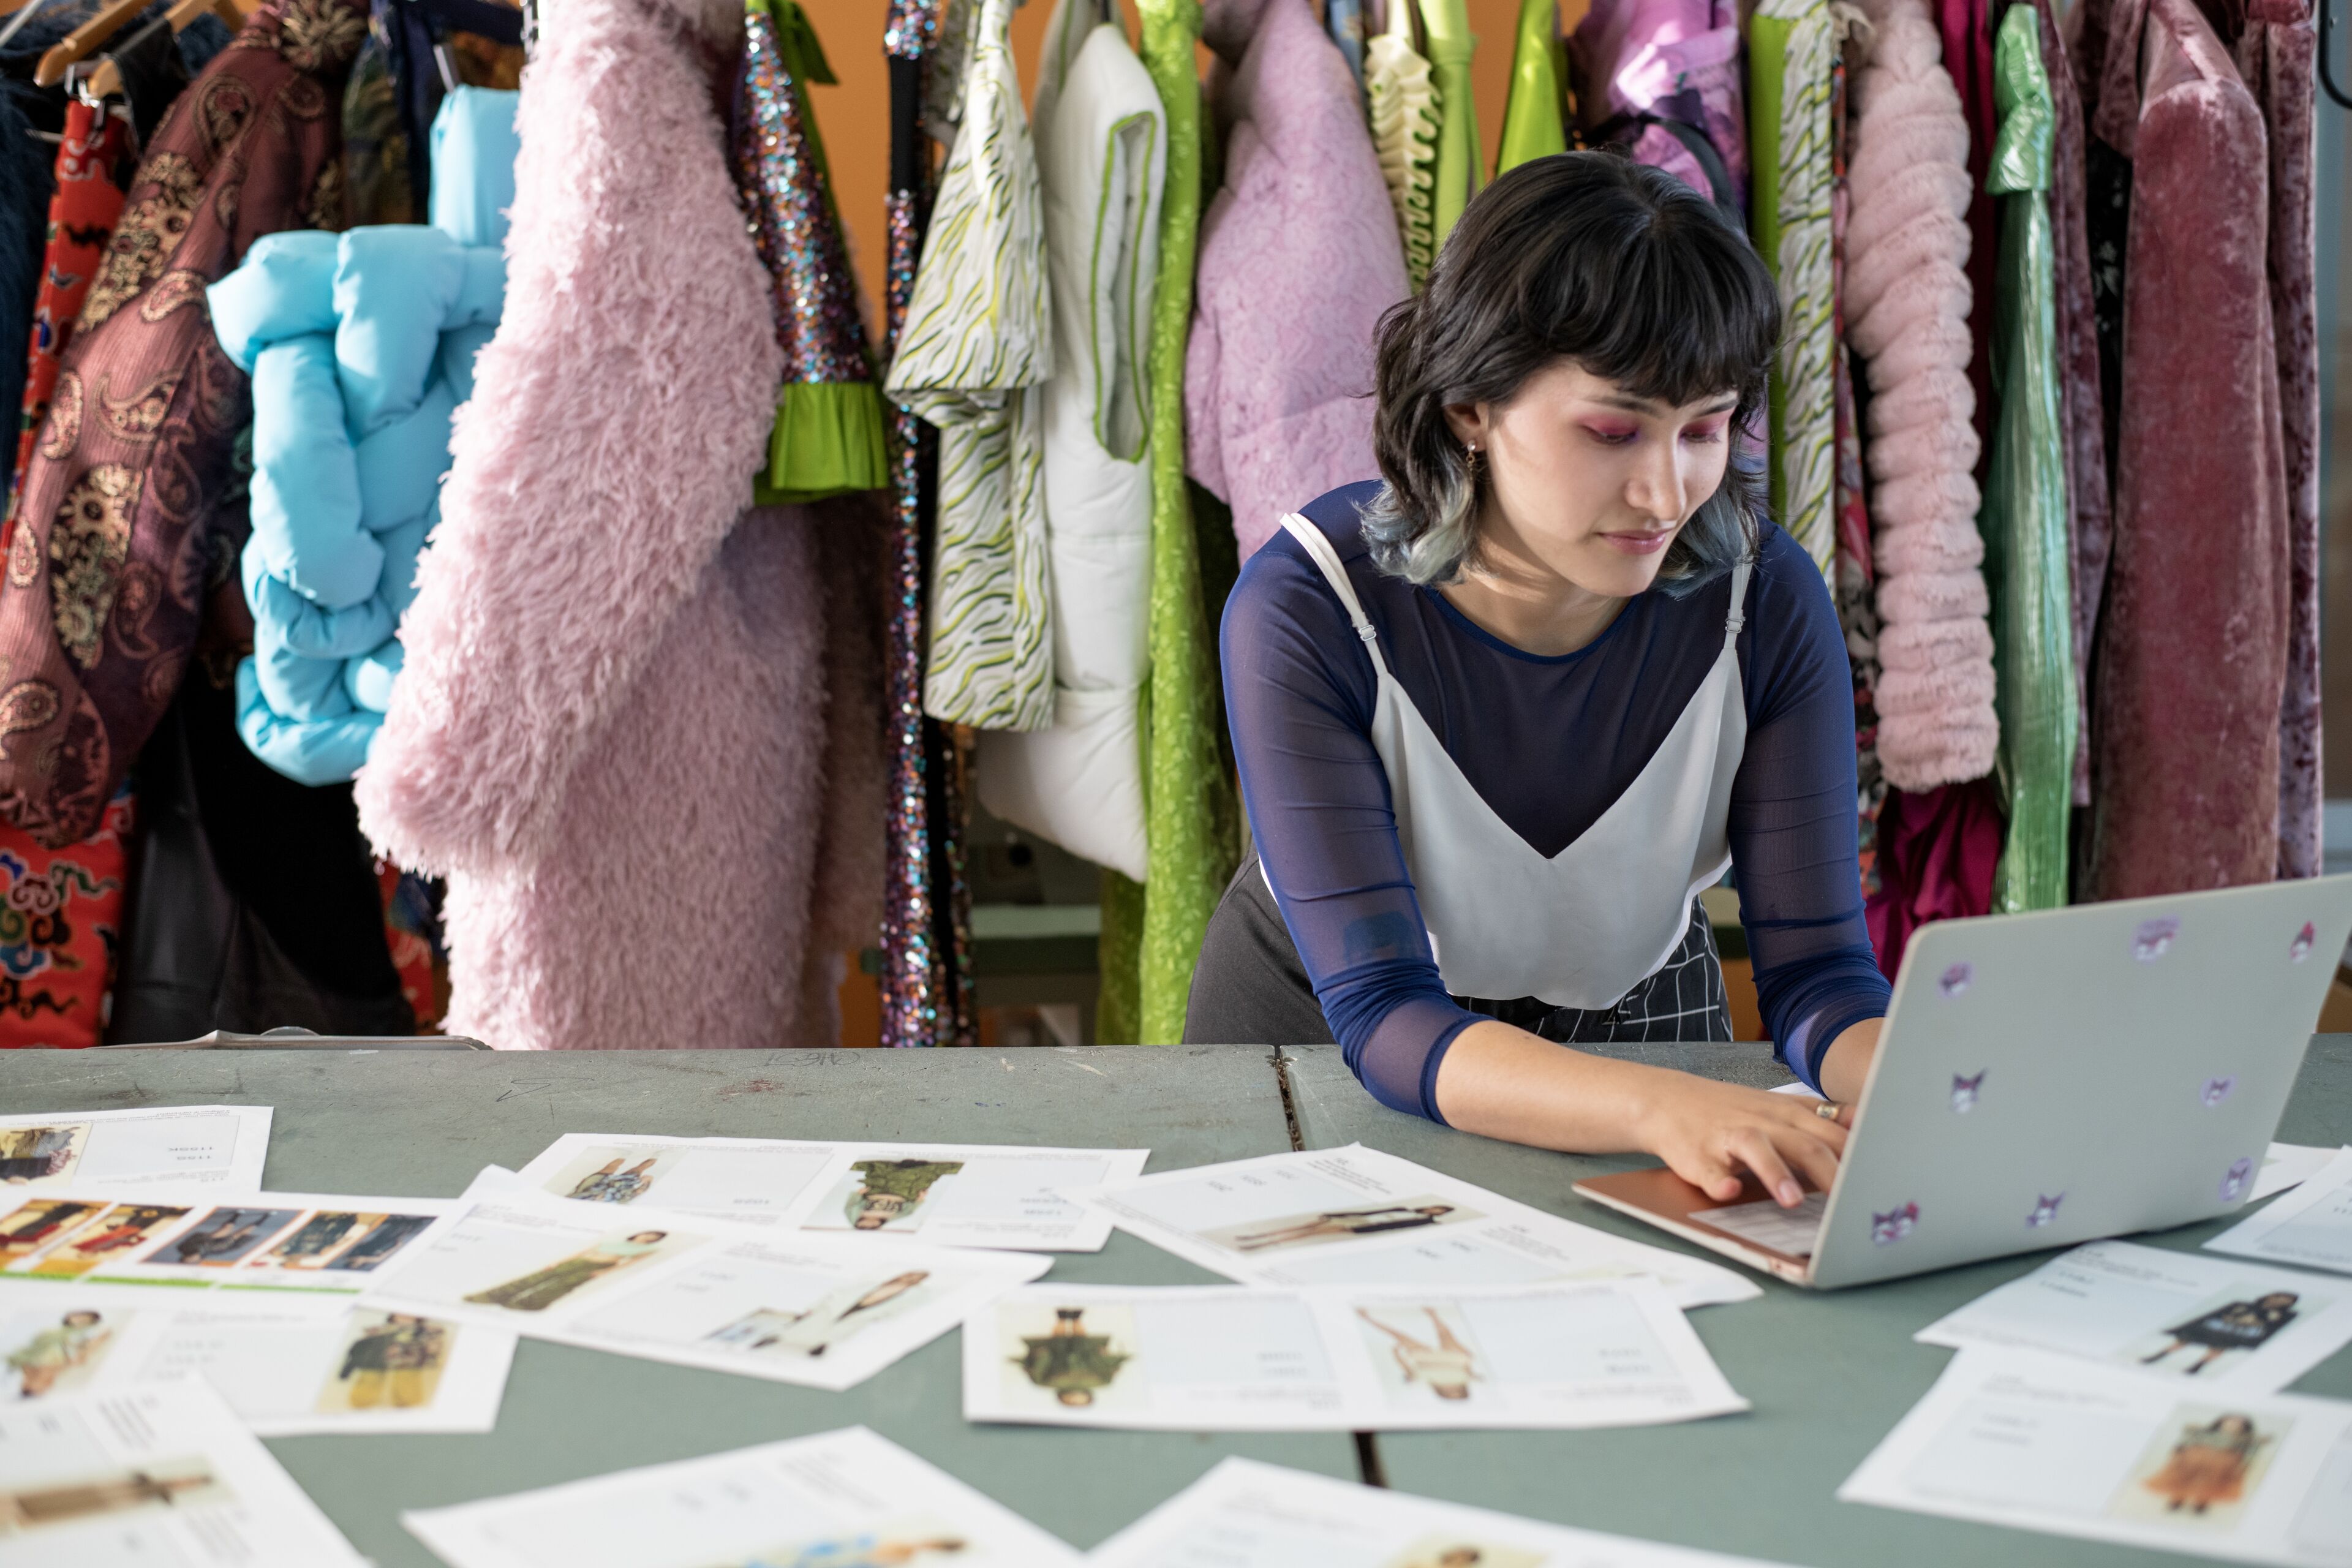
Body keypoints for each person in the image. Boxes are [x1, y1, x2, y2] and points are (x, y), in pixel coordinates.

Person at [1191, 153, 1888, 1209]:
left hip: (1638, 1018)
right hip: (1324, 1046)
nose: (1668, 491)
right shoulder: (1309, 605)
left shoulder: (1764, 600)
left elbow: (1822, 975)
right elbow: (1385, 1014)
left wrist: (1923, 1091)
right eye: (1613, 431)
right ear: (1470, 404)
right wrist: (1660, 1106)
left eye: (1705, 429)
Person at [464, 1231, 669, 1313]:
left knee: (562, 1286)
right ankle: (491, 1297)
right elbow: (584, 1251)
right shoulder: (612, 1241)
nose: (649, 1237)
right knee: (535, 1278)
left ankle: (527, 1305)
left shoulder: (646, 1250)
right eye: (649, 1233)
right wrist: (559, 1262)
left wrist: (603, 1274)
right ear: (641, 1232)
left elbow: (627, 1265)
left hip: (598, 1267)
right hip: (580, 1261)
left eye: (654, 1236)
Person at [2141, 1294, 2302, 1376]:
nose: (2281, 1301)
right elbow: (2217, 1314)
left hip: (2242, 1331)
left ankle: (2198, 1365)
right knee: (2188, 1336)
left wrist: (2263, 1321)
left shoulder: (2283, 1314)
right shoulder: (2241, 1304)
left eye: (2287, 1301)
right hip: (2222, 1324)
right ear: (2271, 1296)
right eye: (2280, 1297)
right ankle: (2159, 1355)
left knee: (2221, 1344)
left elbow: (2270, 1328)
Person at [2143, 1414, 2269, 1515]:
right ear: (2221, 1422)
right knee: (2184, 1478)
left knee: (2211, 1482)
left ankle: (2202, 1501)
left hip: (2221, 1463)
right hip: (2195, 1458)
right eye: (2230, 1421)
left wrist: (2255, 1446)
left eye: (2239, 1424)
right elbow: (2186, 1441)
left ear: (2244, 1427)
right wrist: (2181, 1449)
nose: (2233, 1425)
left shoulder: (2244, 1439)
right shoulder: (2205, 1432)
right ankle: (2178, 1498)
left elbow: (2251, 1451)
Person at [1357, 1307, 1482, 1400]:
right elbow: (1468, 1367)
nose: (1452, 1390)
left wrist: (1396, 1354)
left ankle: (1367, 1318)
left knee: (1400, 1336)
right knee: (1447, 1336)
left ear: (1441, 1393)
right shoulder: (1466, 1379)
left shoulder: (1424, 1380)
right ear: (1463, 1390)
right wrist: (1467, 1358)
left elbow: (1407, 1370)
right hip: (1453, 1359)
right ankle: (1433, 1315)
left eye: (1450, 1394)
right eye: (1457, 1393)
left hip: (1426, 1360)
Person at [1014, 1306, 1129, 1406]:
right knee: (1082, 1340)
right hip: (1086, 1357)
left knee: (1058, 1340)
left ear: (1062, 1400)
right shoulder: (1103, 1383)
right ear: (1089, 1399)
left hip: (1058, 1357)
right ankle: (1076, 1319)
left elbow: (1038, 1371)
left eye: (1072, 1403)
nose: (1075, 1400)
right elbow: (1109, 1370)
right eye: (1079, 1403)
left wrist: (1043, 1357)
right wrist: (1104, 1356)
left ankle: (1062, 1318)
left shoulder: (1045, 1384)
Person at [333, 1313, 449, 1409]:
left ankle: (407, 1406)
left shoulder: (424, 1331)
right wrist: (349, 1367)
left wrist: (430, 1357)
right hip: (375, 1364)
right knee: (370, 1382)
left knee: (406, 1382)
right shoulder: (379, 1331)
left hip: (408, 1364)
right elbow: (359, 1348)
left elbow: (432, 1347)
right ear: (393, 1316)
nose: (404, 1317)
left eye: (409, 1315)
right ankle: (361, 1403)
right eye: (400, 1315)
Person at [1231, 1205, 1457, 1252]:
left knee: (1313, 1232)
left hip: (1362, 1227)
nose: (1435, 1211)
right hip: (1356, 1219)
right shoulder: (1405, 1207)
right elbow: (1368, 1212)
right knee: (1308, 1226)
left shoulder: (1425, 1222)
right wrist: (1336, 1214)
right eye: (1436, 1208)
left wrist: (1359, 1232)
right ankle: (1260, 1237)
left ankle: (1266, 1243)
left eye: (1439, 1211)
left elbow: (1386, 1226)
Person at [5, 1310, 110, 1398]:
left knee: (43, 1369)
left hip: (57, 1358)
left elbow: (84, 1347)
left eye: (84, 1320)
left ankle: (33, 1388)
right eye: (78, 1316)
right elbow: (37, 1343)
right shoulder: (54, 1332)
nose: (79, 1320)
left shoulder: (82, 1334)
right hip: (40, 1357)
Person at [840, 1160, 964, 1231]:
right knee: (920, 1175)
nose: (870, 1223)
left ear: (858, 1223)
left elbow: (851, 1204)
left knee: (885, 1173)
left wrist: (859, 1194)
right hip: (903, 1194)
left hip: (878, 1191)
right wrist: (920, 1199)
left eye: (864, 1226)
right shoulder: (894, 1217)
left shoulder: (856, 1212)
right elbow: (910, 1209)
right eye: (872, 1226)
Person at [567, 1158, 658, 1204]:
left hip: (591, 1188)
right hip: (619, 1190)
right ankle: (654, 1158)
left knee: (610, 1168)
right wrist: (647, 1182)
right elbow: (636, 1193)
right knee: (637, 1170)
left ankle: (624, 1155)